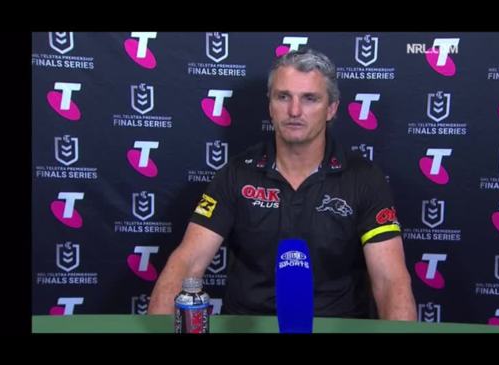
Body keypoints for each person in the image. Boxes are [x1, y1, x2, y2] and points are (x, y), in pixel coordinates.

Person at [149, 48, 417, 320]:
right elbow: (187, 262)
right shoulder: (236, 174)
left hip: (336, 324)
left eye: (310, 99)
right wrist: (158, 327)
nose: (294, 110)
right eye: (283, 97)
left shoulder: (364, 178)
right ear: (270, 105)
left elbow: (390, 281)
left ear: (331, 109)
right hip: (250, 325)